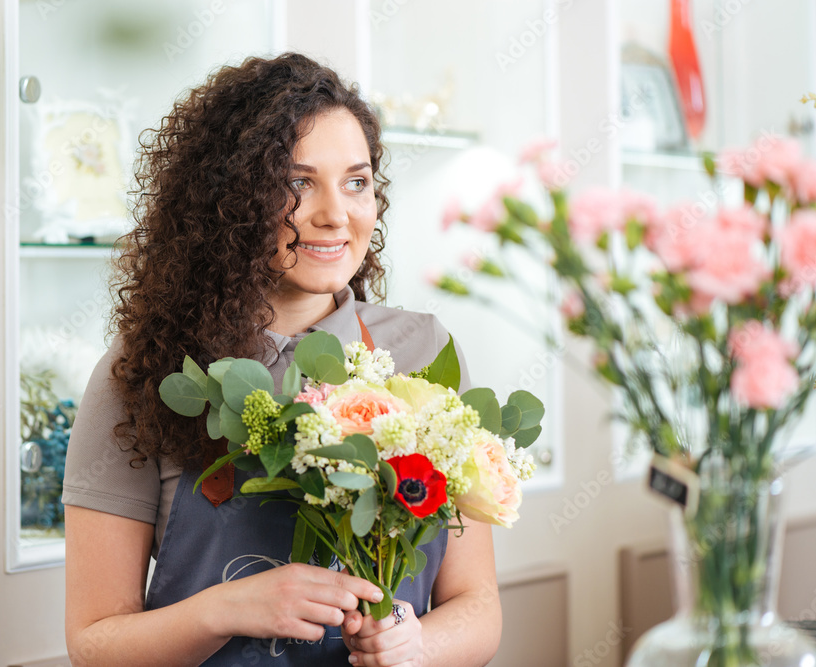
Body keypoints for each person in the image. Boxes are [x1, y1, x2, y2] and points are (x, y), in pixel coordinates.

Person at [62, 52, 502, 667]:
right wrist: (228, 607)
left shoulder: (425, 353)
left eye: (356, 181)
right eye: (296, 183)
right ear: (228, 201)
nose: (335, 214)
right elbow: (94, 640)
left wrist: (417, 645)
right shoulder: (145, 373)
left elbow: (478, 605)